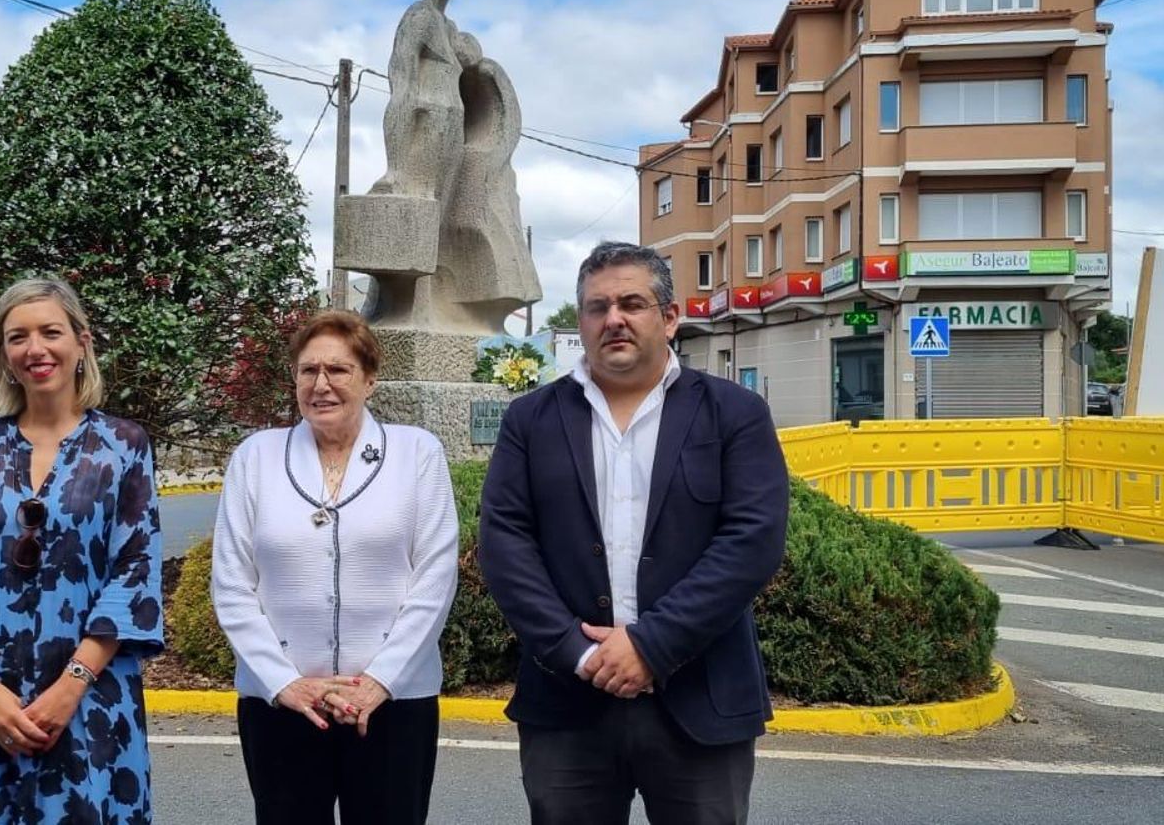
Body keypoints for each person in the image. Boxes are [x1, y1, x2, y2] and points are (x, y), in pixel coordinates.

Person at [478, 241, 789, 825]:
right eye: (596, 307)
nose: (613, 319)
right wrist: (580, 653)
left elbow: (752, 541)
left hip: (699, 699)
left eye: (631, 303)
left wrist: (651, 645)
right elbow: (505, 544)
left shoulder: (735, 413)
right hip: (568, 702)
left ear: (669, 318)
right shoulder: (531, 420)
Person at [0, 276, 163, 824]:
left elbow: (134, 570)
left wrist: (68, 690)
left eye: (50, 332)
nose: (35, 349)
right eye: (17, 337)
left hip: (90, 702)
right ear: (3, 355)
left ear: (82, 342)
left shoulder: (124, 445)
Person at [212, 310, 459, 825]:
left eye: (339, 370)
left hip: (394, 702)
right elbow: (233, 584)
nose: (321, 384)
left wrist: (378, 681)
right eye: (308, 371)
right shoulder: (255, 457)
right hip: (282, 703)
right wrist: (284, 682)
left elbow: (434, 578)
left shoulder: (417, 453)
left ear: (369, 379)